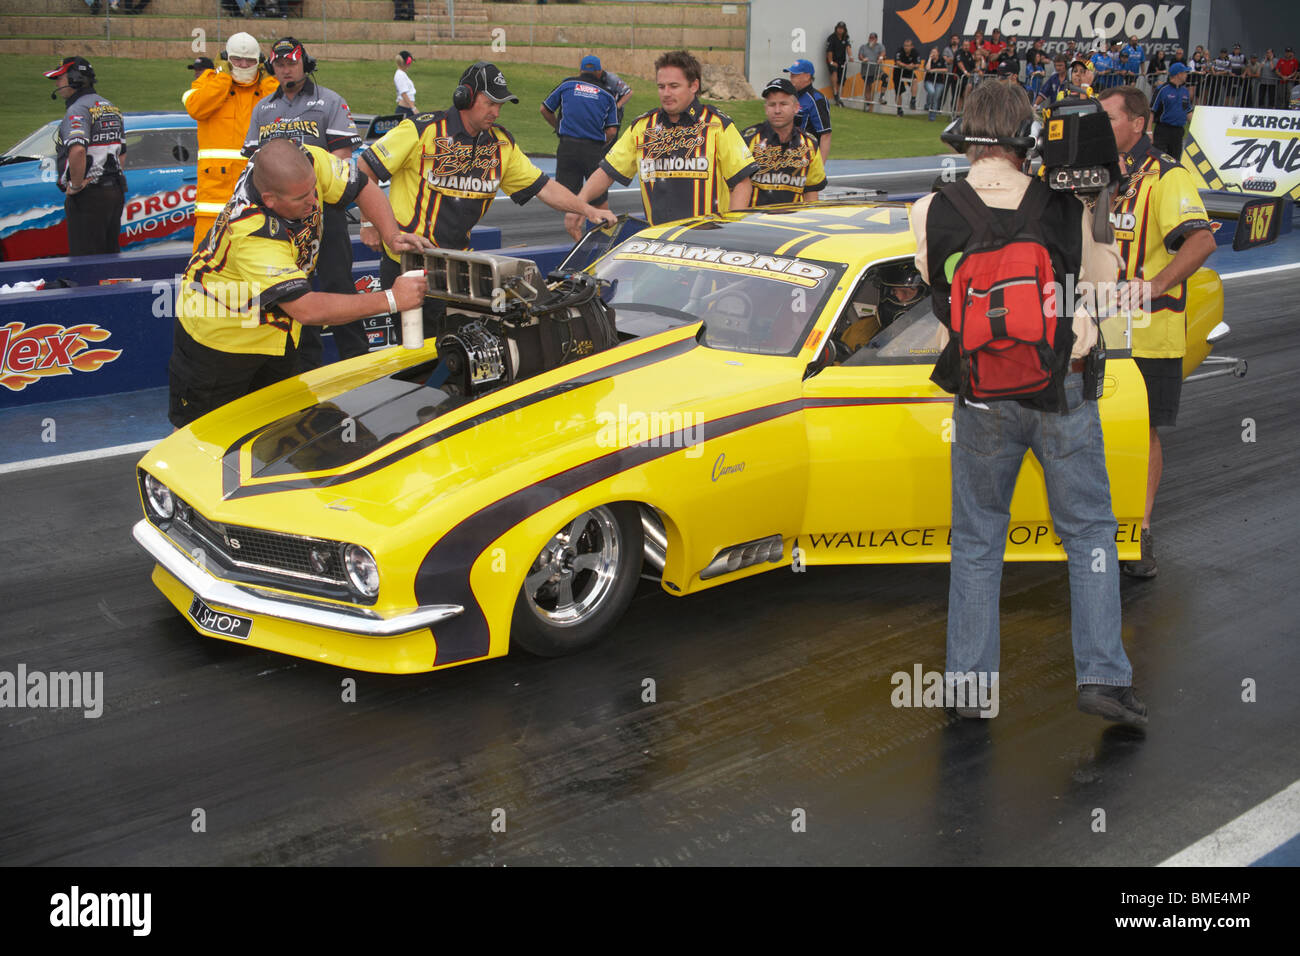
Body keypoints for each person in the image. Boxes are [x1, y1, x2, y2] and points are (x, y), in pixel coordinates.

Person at [910, 80, 1146, 726]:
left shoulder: (931, 209)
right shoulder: (1064, 206)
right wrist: (1097, 206)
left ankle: (968, 687)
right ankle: (1102, 676)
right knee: (1090, 533)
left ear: (966, 132)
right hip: (1060, 385)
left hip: (979, 391)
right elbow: (1105, 285)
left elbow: (936, 285)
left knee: (979, 540)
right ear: (1026, 136)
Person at [169, 140, 431, 428]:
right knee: (210, 439)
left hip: (277, 333)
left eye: (313, 190)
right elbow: (306, 309)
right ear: (270, 199)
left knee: (279, 433)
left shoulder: (308, 161)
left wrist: (391, 235)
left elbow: (362, 185)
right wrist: (392, 299)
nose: (315, 202)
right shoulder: (251, 231)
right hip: (220, 340)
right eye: (301, 199)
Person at [360, 61, 616, 339]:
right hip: (408, 266)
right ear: (465, 97)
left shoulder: (501, 145)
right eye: (490, 103)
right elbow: (365, 167)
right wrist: (369, 223)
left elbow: (544, 187)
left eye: (501, 105)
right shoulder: (422, 130)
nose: (496, 111)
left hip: (457, 269)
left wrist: (586, 208)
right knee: (414, 353)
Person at [1099, 86, 1217, 579]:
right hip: (1094, 329)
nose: (1099, 127)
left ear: (1139, 123)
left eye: (1108, 119)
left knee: (1139, 433)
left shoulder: (1169, 176)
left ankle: (1140, 531)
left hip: (1148, 334)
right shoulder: (1093, 174)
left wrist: (1156, 285)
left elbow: (1204, 240)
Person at [244, 38, 364, 369]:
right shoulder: (262, 109)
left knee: (339, 283)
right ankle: (306, 366)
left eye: (291, 63)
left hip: (326, 212)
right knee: (297, 289)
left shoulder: (330, 101)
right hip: (281, 220)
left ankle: (357, 361)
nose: (286, 70)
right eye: (279, 65)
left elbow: (343, 159)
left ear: (304, 63)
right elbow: (254, 166)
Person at [577, 50, 756, 225]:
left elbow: (742, 183)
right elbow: (607, 172)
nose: (666, 93)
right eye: (661, 87)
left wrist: (732, 227)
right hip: (660, 244)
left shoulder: (717, 125)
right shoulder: (642, 127)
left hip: (707, 244)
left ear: (694, 86)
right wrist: (579, 204)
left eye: (674, 86)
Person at [183, 33, 278, 252]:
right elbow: (196, 107)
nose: (244, 65)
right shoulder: (209, 80)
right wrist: (223, 78)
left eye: (250, 61)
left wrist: (268, 79)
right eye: (237, 60)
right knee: (205, 263)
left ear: (260, 62)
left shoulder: (267, 86)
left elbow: (280, 111)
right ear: (226, 59)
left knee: (257, 260)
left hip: (257, 192)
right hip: (214, 195)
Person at [44, 56, 126, 257]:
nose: (57, 83)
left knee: (87, 261)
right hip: (115, 191)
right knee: (110, 257)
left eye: (60, 78)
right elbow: (121, 153)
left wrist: (76, 185)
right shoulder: (111, 107)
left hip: (89, 195)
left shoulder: (78, 109)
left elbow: (78, 150)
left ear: (75, 79)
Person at [541, 55, 620, 241]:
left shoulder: (567, 85)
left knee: (568, 199)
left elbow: (544, 109)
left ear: (580, 70)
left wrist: (557, 127)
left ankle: (577, 240)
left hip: (567, 147)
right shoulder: (607, 94)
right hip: (593, 149)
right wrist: (602, 144)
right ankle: (604, 244)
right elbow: (612, 130)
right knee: (600, 203)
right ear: (600, 72)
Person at [741, 77, 826, 205]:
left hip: (792, 223)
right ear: (766, 108)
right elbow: (735, 188)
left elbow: (811, 192)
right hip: (755, 223)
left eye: (783, 104)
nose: (777, 110)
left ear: (796, 108)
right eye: (772, 104)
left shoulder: (809, 144)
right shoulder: (748, 140)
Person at [784, 59, 832, 156]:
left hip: (807, 157)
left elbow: (825, 134)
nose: (791, 78)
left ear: (807, 76)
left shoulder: (817, 100)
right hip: (788, 156)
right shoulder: (790, 97)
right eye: (791, 75)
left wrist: (820, 167)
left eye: (795, 75)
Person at [1149, 62, 1193, 161]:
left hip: (1178, 131)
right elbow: (1151, 111)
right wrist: (1149, 132)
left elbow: (1188, 112)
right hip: (1163, 131)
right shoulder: (1162, 89)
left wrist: (1197, 129)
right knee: (1160, 159)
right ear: (1179, 74)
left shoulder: (1185, 91)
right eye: (1185, 72)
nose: (1187, 75)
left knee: (1175, 161)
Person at [892, 38, 922, 115]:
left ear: (912, 46)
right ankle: (899, 109)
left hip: (909, 71)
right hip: (898, 72)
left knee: (915, 80)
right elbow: (898, 62)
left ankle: (913, 100)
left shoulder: (915, 52)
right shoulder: (899, 51)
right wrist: (907, 66)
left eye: (908, 46)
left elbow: (918, 64)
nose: (906, 47)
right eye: (905, 46)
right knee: (898, 91)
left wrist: (913, 66)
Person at [825, 21, 851, 107]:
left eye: (842, 29)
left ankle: (839, 98)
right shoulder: (832, 38)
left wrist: (850, 56)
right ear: (836, 29)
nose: (840, 30)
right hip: (833, 60)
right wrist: (831, 62)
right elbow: (829, 51)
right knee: (834, 73)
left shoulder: (846, 37)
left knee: (842, 80)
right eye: (839, 28)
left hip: (842, 61)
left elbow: (848, 47)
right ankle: (835, 94)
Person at [859, 31, 887, 109]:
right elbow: (860, 56)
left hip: (877, 70)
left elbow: (883, 53)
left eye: (873, 38)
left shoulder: (880, 46)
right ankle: (868, 104)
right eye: (870, 38)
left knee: (886, 78)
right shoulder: (863, 47)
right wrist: (863, 59)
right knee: (868, 86)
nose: (871, 40)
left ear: (876, 39)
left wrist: (881, 58)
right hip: (866, 71)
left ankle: (882, 97)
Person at [922, 48, 946, 120]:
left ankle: (932, 116)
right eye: (932, 52)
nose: (933, 53)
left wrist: (935, 70)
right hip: (929, 80)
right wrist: (929, 59)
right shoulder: (928, 60)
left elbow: (945, 70)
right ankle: (927, 104)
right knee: (931, 91)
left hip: (939, 82)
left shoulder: (942, 60)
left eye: (935, 52)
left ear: (938, 53)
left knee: (936, 98)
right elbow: (927, 68)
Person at [394, 51, 417, 118]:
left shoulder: (402, 74)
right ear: (407, 62)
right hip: (405, 110)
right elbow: (403, 93)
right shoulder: (400, 75)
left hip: (408, 110)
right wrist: (413, 108)